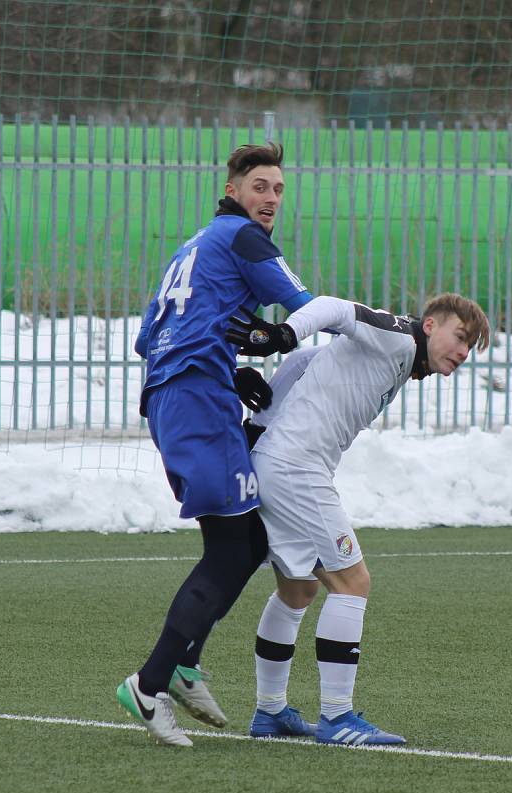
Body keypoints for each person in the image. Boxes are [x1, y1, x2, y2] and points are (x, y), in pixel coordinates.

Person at [116, 142, 318, 746]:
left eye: (279, 190)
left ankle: (182, 663)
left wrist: (230, 370)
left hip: (182, 397)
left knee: (248, 539)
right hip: (197, 403)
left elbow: (150, 336)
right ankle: (149, 686)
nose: (271, 199)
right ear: (232, 190)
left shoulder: (194, 245)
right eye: (260, 186)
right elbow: (310, 308)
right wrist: (391, 334)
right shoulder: (244, 241)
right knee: (233, 549)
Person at [226, 292, 490, 746]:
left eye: (471, 348)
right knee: (353, 582)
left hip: (282, 464)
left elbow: (305, 364)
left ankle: (270, 712)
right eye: (460, 338)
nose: (464, 353)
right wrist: (284, 333)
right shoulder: (396, 338)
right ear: (430, 326)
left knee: (299, 587)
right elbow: (333, 307)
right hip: (296, 469)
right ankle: (337, 717)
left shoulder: (397, 356)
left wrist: (259, 428)